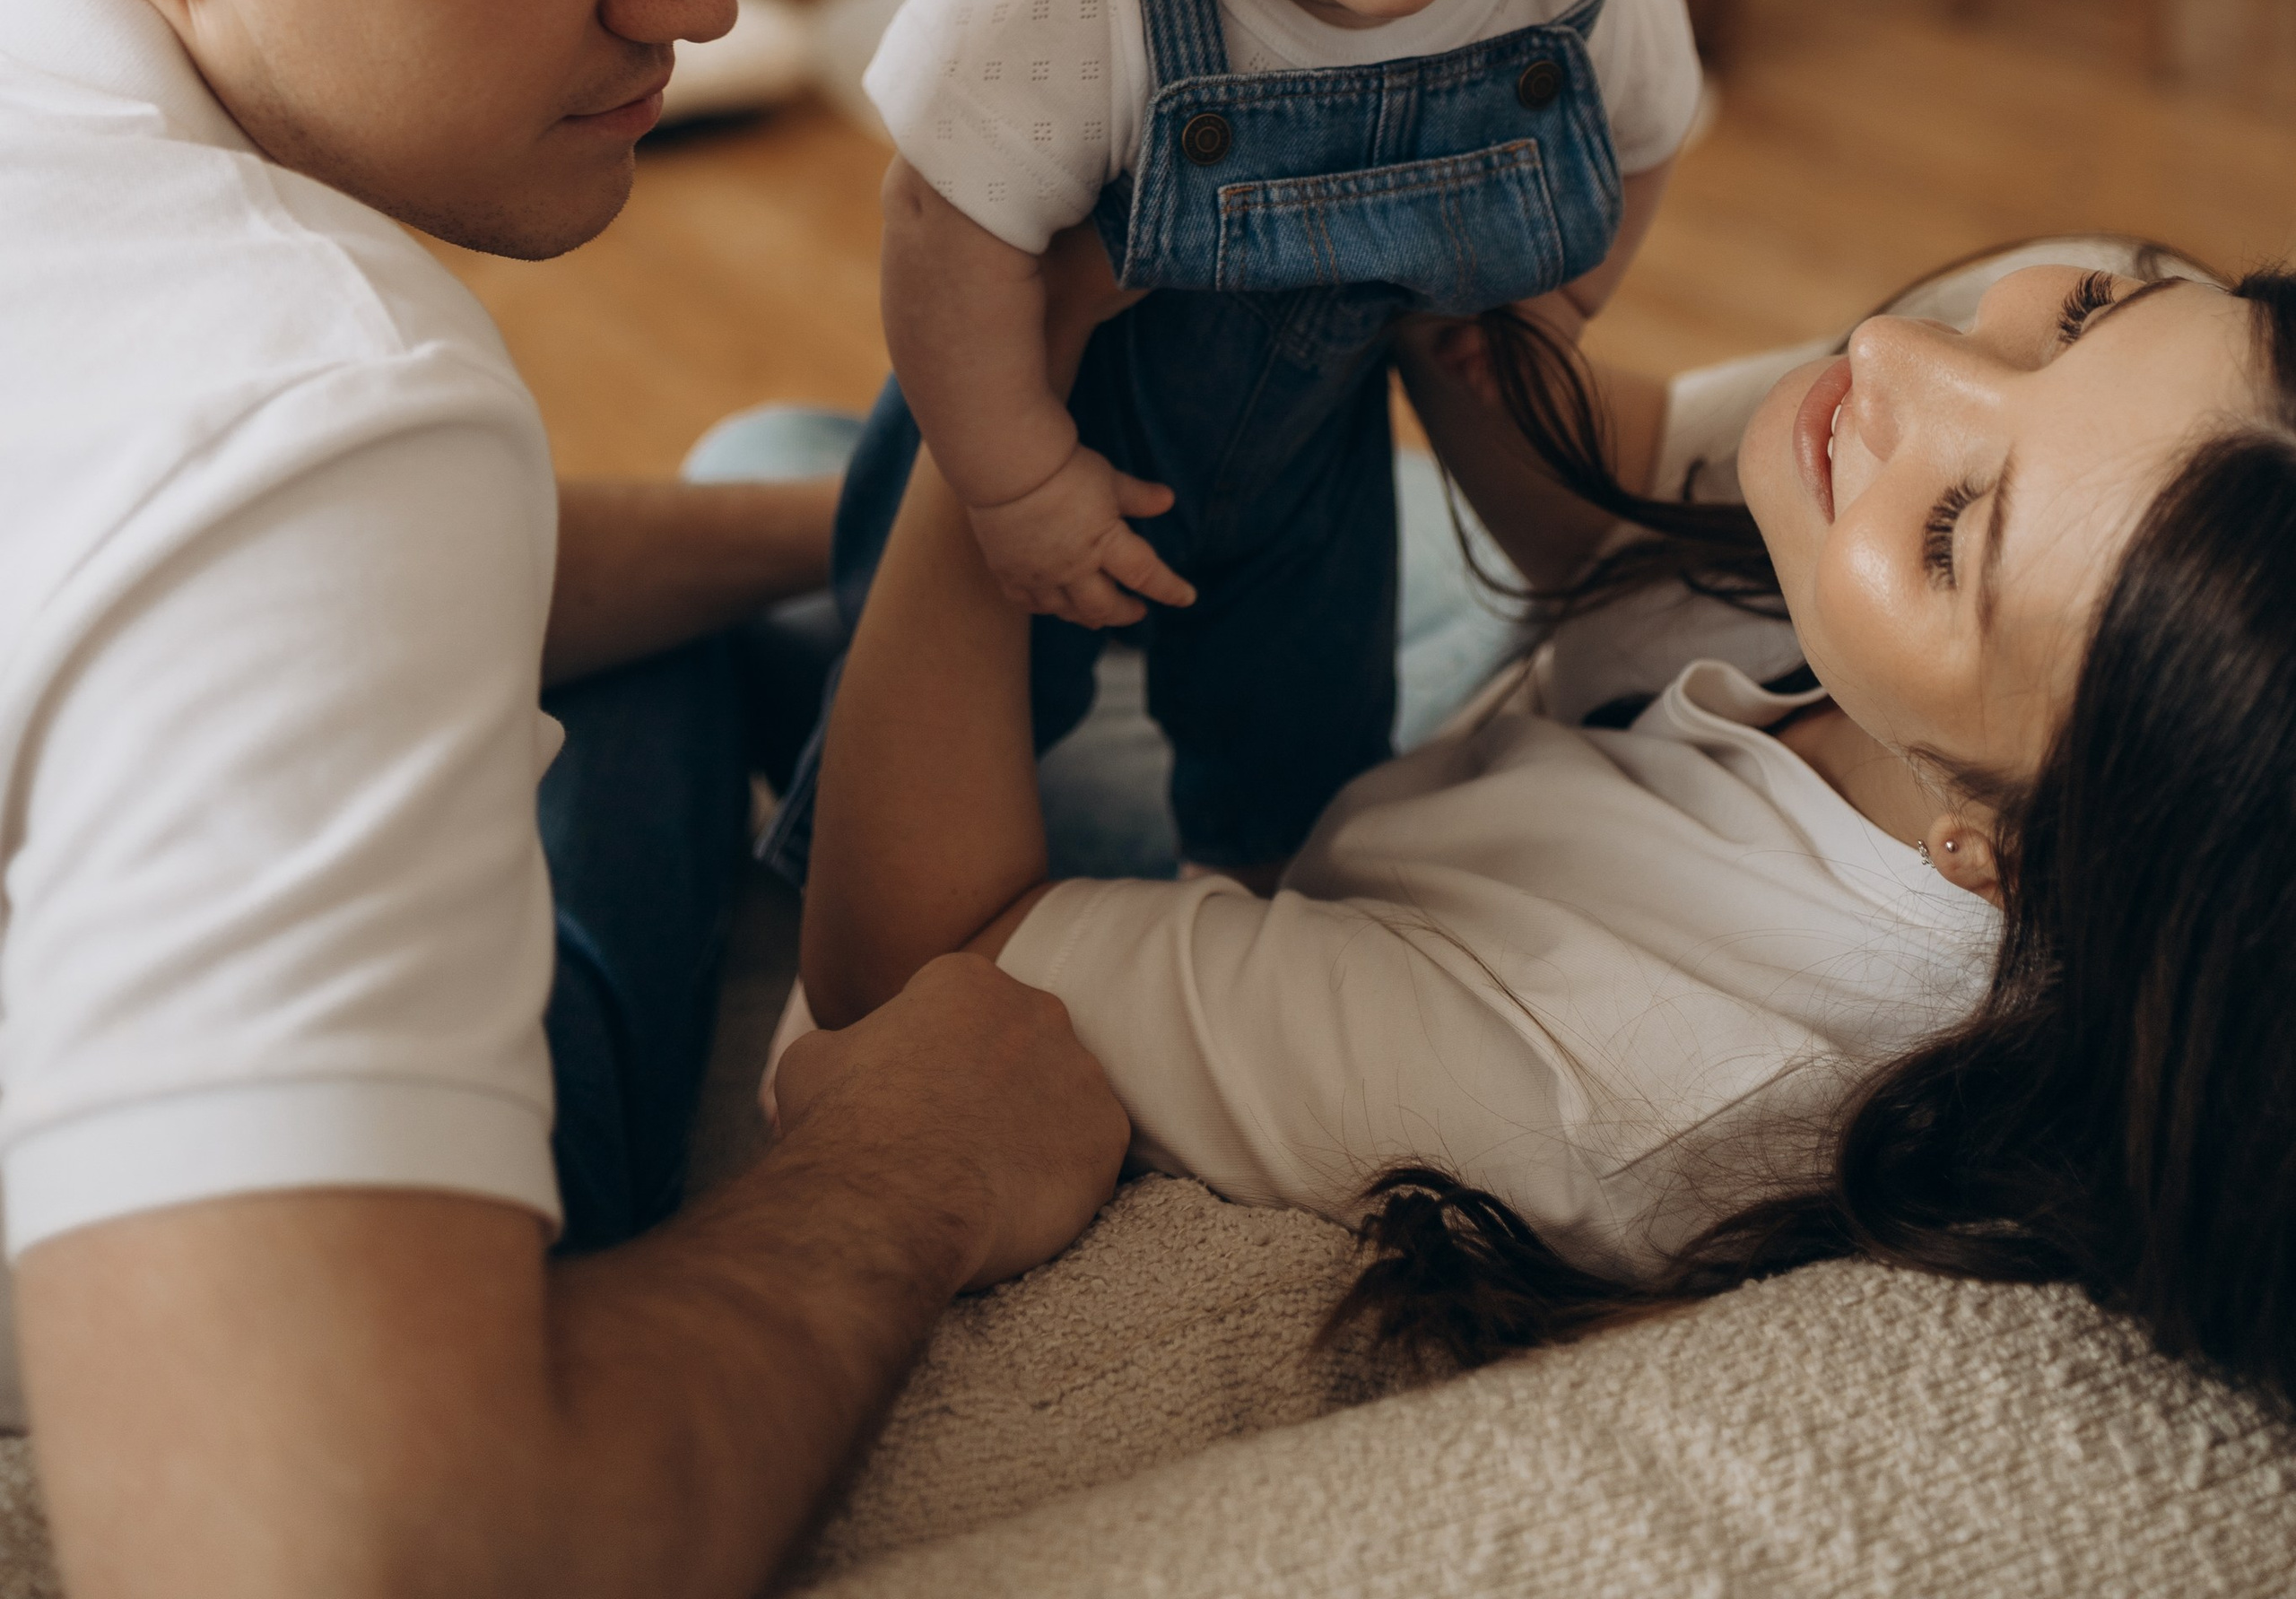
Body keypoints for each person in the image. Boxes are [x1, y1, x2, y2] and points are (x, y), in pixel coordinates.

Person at [0, 0, 1126, 1599]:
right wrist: (898, 1172)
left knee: (729, 545)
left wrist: (851, 523)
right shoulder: (306, 392)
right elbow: (354, 1558)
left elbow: (144, 555)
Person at [800, 224, 2296, 1408]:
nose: (1906, 350)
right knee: (804, 499)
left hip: (1321, 868)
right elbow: (1623, 515)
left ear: (2010, 854)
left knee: (790, 510)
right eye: (2089, 315)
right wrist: (1430, 214)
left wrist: (995, 400)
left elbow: (919, 962)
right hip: (1479, 718)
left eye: (1956, 529)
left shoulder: (1636, 1097)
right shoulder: (2116, 527)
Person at [770, 0, 1701, 886]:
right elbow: (942, 229)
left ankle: (1260, 920)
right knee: (953, 709)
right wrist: (1014, 483)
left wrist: (1564, 296)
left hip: (1311, 462)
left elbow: (1651, 130)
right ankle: (840, 878)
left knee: (1310, 734)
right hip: (1044, 403)